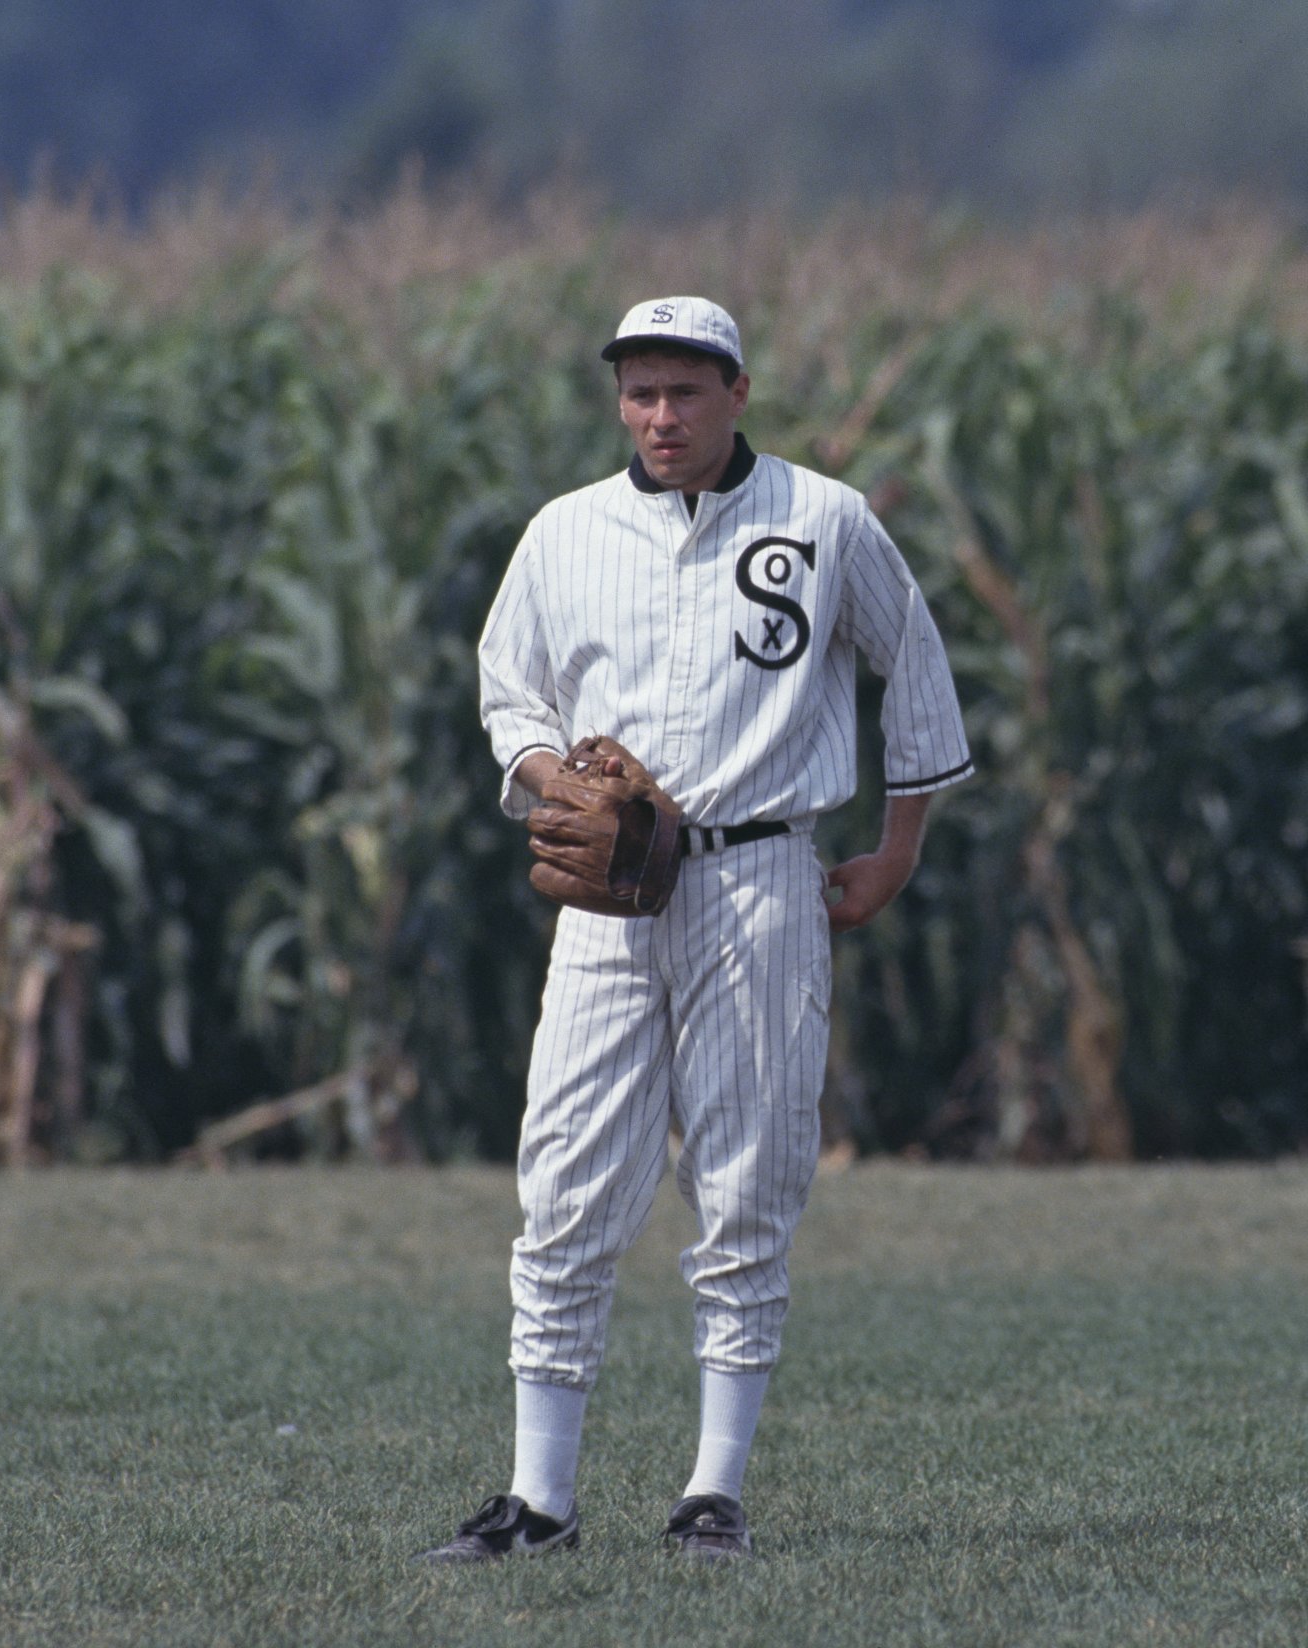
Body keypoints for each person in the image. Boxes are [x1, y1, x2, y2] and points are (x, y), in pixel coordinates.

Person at [420, 295, 973, 1565]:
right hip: (609, 898)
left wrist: (895, 847)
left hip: (761, 880)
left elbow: (918, 664)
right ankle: (539, 1502)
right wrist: (549, 779)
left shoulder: (822, 518)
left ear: (736, 391)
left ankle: (712, 1493)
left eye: (684, 390)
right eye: (638, 391)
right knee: (564, 1185)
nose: (659, 415)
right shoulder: (567, 532)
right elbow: (511, 687)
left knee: (746, 1184)